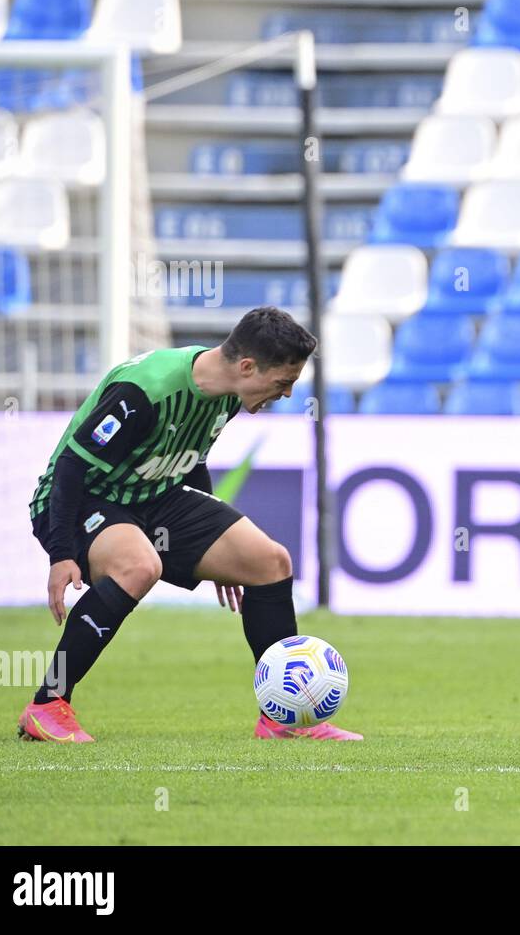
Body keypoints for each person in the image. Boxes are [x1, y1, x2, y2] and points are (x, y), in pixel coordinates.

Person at [22, 306, 362, 743]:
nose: (285, 394)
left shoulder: (227, 396)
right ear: (246, 366)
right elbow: (71, 466)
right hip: (80, 499)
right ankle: (48, 703)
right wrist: (62, 552)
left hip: (154, 496)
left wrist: (216, 543)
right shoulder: (145, 390)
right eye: (283, 383)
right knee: (139, 566)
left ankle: (280, 720)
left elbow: (189, 460)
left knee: (268, 561)